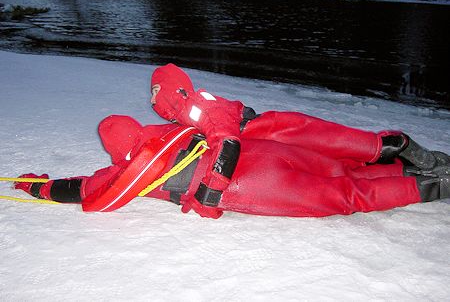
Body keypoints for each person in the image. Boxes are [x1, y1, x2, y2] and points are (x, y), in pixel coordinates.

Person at [149, 63, 450, 217]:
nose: (154, 105)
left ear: (170, 92)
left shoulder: (195, 109)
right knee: (353, 152)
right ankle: (421, 165)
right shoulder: (200, 100)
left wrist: (208, 194)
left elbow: (228, 142)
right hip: (279, 127)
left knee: (346, 180)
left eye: (155, 95)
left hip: (272, 136)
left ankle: (431, 179)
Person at [13, 115, 449, 219]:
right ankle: (419, 169)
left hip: (250, 185)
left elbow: (82, 190)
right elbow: (223, 125)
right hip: (263, 154)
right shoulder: (171, 132)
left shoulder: (125, 174)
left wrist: (37, 187)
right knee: (343, 170)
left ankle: (434, 187)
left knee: (348, 195)